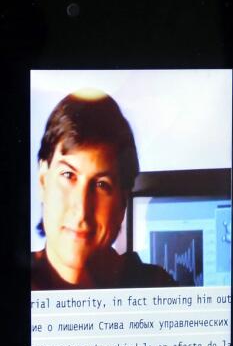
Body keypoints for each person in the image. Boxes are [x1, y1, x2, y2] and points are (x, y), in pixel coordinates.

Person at [31, 91, 177, 290]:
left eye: (101, 185)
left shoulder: (158, 288)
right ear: (42, 179)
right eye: (68, 175)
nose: (82, 210)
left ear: (122, 203)